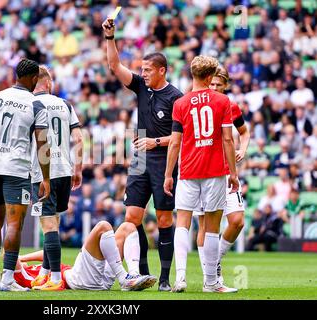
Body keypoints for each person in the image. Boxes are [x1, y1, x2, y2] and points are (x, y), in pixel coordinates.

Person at [102, 16, 183, 291]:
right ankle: (142, 272)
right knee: (132, 218)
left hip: (164, 161)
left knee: (163, 219)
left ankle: (164, 279)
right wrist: (110, 38)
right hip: (139, 162)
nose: (143, 73)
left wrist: (154, 142)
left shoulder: (176, 98)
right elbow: (114, 65)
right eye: (142, 69)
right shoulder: (140, 87)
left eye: (148, 69)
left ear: (162, 70)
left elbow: (180, 137)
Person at [164, 56, 239, 293]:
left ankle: (181, 279)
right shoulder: (222, 101)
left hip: (187, 171)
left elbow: (175, 143)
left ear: (193, 75)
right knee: (212, 226)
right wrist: (233, 174)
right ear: (209, 77)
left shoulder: (181, 104)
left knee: (183, 223)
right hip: (215, 170)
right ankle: (210, 283)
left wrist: (168, 174)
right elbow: (228, 139)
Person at [0, 58, 50, 292]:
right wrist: (46, 178)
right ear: (33, 79)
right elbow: (42, 144)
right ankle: (7, 280)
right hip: (16, 169)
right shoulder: (36, 104)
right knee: (14, 224)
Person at [194, 66, 250, 285]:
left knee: (237, 221)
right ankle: (211, 277)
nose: (215, 87)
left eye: (219, 84)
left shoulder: (230, 106)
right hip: (203, 171)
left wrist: (243, 149)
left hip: (226, 172)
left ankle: (214, 260)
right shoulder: (198, 104)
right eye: (212, 84)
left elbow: (244, 132)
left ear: (226, 85)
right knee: (205, 225)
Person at [29, 66, 83, 291]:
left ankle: (54, 278)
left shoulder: (31, 105)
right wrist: (77, 168)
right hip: (65, 169)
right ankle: (43, 272)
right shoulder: (65, 104)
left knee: (48, 225)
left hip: (43, 172)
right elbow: (79, 138)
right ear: (49, 83)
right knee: (54, 222)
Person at [14, 221, 157, 291]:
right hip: (78, 279)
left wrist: (23, 257)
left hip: (91, 277)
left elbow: (45, 254)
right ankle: (124, 279)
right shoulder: (21, 277)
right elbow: (11, 259)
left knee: (128, 227)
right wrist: (17, 259)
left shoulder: (35, 269)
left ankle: (133, 276)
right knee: (103, 226)